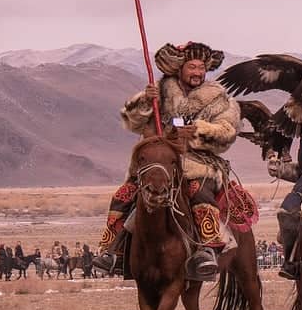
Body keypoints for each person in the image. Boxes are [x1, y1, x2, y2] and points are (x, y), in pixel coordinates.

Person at [94, 41, 241, 282]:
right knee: (123, 195)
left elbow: (227, 131)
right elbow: (133, 123)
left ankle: (207, 248)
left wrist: (198, 130)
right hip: (158, 161)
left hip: (196, 163)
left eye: (201, 68)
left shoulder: (219, 99)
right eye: (192, 67)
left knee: (198, 192)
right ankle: (114, 251)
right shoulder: (159, 92)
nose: (197, 72)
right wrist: (144, 102)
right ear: (180, 68)